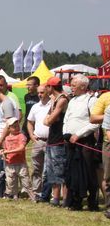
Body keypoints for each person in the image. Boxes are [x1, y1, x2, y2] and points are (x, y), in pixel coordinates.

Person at [62, 74, 99, 211]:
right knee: (72, 172)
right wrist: (66, 133)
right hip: (70, 141)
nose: (71, 87)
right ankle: (75, 201)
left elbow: (95, 123)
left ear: (83, 86)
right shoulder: (72, 101)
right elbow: (66, 119)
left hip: (84, 142)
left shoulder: (91, 100)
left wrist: (78, 134)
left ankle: (92, 200)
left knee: (88, 171)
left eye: (73, 85)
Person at [43, 77, 69, 207]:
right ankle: (55, 198)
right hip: (52, 139)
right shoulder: (54, 100)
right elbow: (45, 120)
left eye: (46, 87)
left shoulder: (63, 99)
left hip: (59, 140)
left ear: (51, 87)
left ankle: (65, 199)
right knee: (51, 171)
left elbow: (48, 121)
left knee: (61, 171)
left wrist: (49, 117)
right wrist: (48, 117)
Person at [26, 84, 50, 200]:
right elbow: (30, 122)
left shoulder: (53, 105)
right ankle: (37, 192)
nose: (40, 95)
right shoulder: (35, 106)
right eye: (39, 93)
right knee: (36, 168)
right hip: (38, 141)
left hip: (51, 142)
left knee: (48, 169)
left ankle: (47, 193)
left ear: (48, 92)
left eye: (42, 92)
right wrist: (31, 135)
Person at [1, 117, 34, 199]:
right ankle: (15, 196)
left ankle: (33, 197)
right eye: (14, 126)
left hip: (21, 163)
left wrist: (7, 152)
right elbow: (4, 149)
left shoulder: (21, 136)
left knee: (26, 181)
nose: (17, 128)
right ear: (9, 128)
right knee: (11, 181)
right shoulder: (6, 138)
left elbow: (21, 148)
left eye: (17, 126)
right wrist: (3, 153)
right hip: (10, 163)